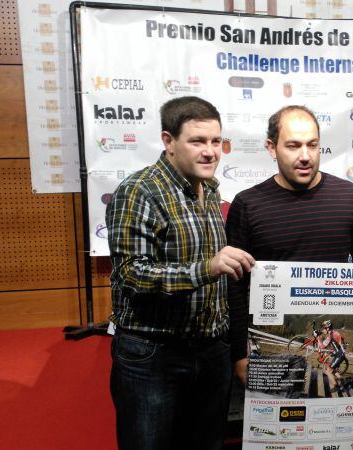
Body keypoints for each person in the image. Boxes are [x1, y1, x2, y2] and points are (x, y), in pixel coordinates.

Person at [225, 105, 353, 384]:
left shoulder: (347, 195)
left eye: (312, 145)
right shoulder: (247, 204)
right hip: (272, 340)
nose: (305, 156)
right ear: (271, 147)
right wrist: (239, 353)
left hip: (329, 326)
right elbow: (235, 286)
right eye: (293, 145)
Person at [106, 96, 254, 450]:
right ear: (169, 142)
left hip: (209, 351)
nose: (210, 152)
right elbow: (132, 275)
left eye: (216, 141)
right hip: (155, 355)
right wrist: (207, 268)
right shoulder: (140, 190)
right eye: (197, 141)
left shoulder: (210, 187)